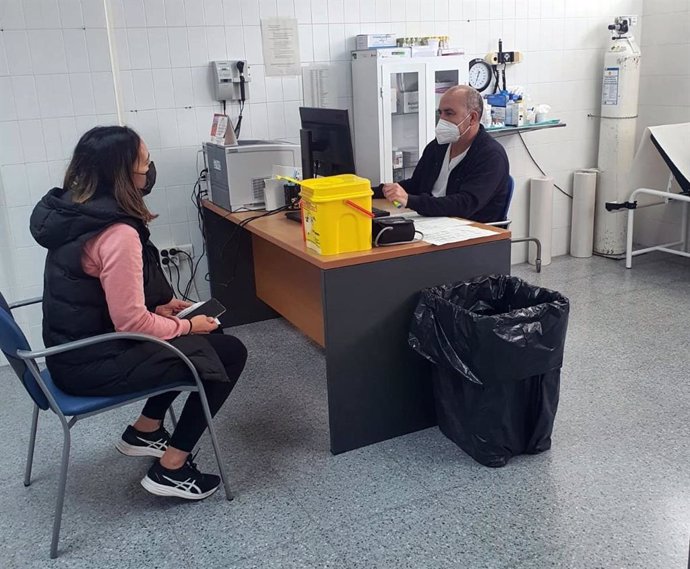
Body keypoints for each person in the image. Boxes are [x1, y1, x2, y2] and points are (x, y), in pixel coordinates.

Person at [30, 126, 247, 501]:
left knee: (207, 339)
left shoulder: (74, 212)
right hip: (91, 365)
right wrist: (185, 324)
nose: (150, 169)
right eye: (145, 162)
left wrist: (160, 310)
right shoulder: (117, 233)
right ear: (122, 174)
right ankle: (172, 468)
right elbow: (130, 324)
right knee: (228, 353)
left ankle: (145, 430)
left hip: (70, 352)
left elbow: (96, 298)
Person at [382, 85, 510, 222]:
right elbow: (416, 184)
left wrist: (410, 201)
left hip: (474, 231)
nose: (441, 120)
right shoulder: (438, 146)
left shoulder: (491, 156)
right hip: (435, 221)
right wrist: (377, 191)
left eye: (449, 113)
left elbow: (464, 204)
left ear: (472, 118)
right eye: (440, 113)